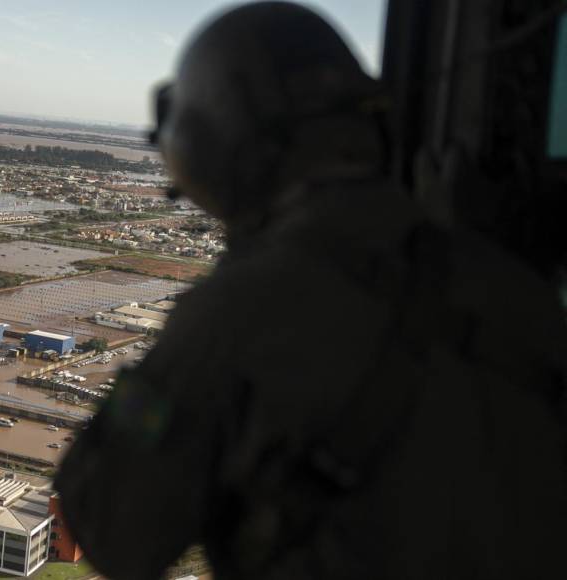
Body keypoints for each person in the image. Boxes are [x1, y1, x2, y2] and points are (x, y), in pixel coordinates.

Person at [55, 2, 567, 579]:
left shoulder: (243, 307)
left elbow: (107, 524)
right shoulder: (515, 285)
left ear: (212, 149)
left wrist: (150, 384)